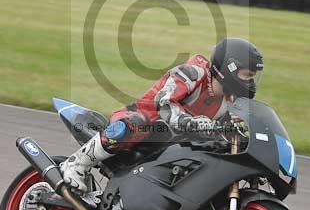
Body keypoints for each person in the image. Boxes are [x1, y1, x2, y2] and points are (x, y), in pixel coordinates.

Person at [60, 37, 264, 193]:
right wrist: (191, 122)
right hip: (143, 123)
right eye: (248, 75)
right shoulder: (193, 73)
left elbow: (229, 134)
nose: (252, 83)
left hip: (169, 148)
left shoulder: (228, 103)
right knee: (135, 123)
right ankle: (77, 163)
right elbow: (163, 103)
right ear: (230, 67)